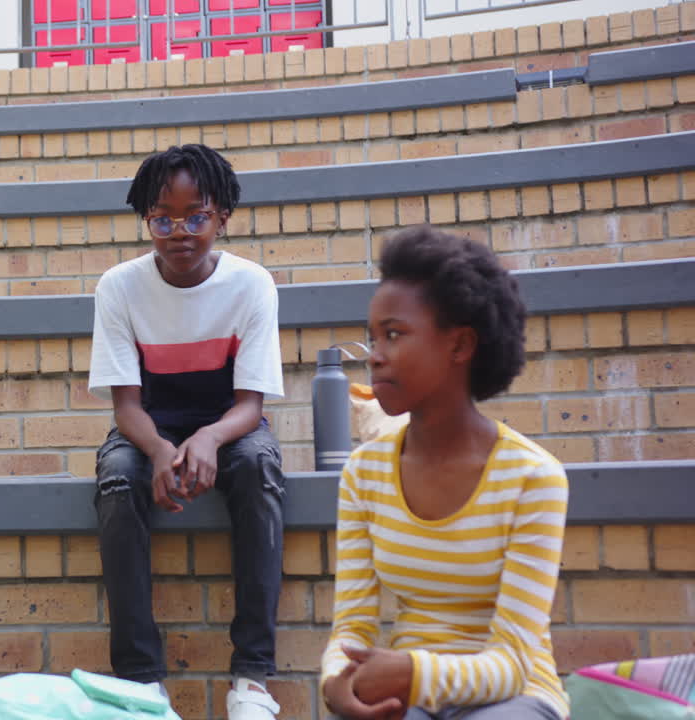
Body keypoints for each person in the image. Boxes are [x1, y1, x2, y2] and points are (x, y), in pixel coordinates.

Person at [321, 226, 569, 720]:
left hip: (513, 696)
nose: (374, 355)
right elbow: (351, 625)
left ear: (460, 345)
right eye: (372, 338)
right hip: (405, 694)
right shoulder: (364, 473)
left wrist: (415, 673)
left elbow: (514, 661)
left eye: (394, 334)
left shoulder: (532, 478)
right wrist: (336, 684)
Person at [89, 144, 287, 720]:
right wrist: (156, 449)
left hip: (230, 422)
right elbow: (126, 406)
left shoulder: (251, 285)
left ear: (223, 216)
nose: (180, 232)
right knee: (119, 479)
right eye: (162, 219)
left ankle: (251, 679)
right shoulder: (119, 287)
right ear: (146, 221)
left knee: (258, 467)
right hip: (147, 425)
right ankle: (139, 683)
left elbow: (251, 405)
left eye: (196, 216)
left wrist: (210, 439)